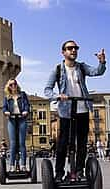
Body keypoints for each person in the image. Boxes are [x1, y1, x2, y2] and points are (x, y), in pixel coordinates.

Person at [44, 40, 106, 182]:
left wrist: (102, 62)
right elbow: (47, 90)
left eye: (75, 48)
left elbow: (97, 72)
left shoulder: (82, 67)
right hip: (66, 111)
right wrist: (58, 96)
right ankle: (59, 172)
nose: (73, 50)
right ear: (63, 52)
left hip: (82, 108)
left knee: (82, 143)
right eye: (70, 48)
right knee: (63, 142)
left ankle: (79, 171)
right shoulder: (58, 69)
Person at [3, 78, 30, 172]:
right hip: (12, 119)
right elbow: (4, 107)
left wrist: (26, 111)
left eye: (14, 84)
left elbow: (27, 105)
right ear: (8, 87)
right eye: (11, 85)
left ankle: (23, 165)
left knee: (22, 143)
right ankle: (12, 165)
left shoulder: (22, 95)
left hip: (22, 119)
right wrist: (6, 112)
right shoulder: (7, 97)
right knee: (13, 143)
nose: (13, 86)